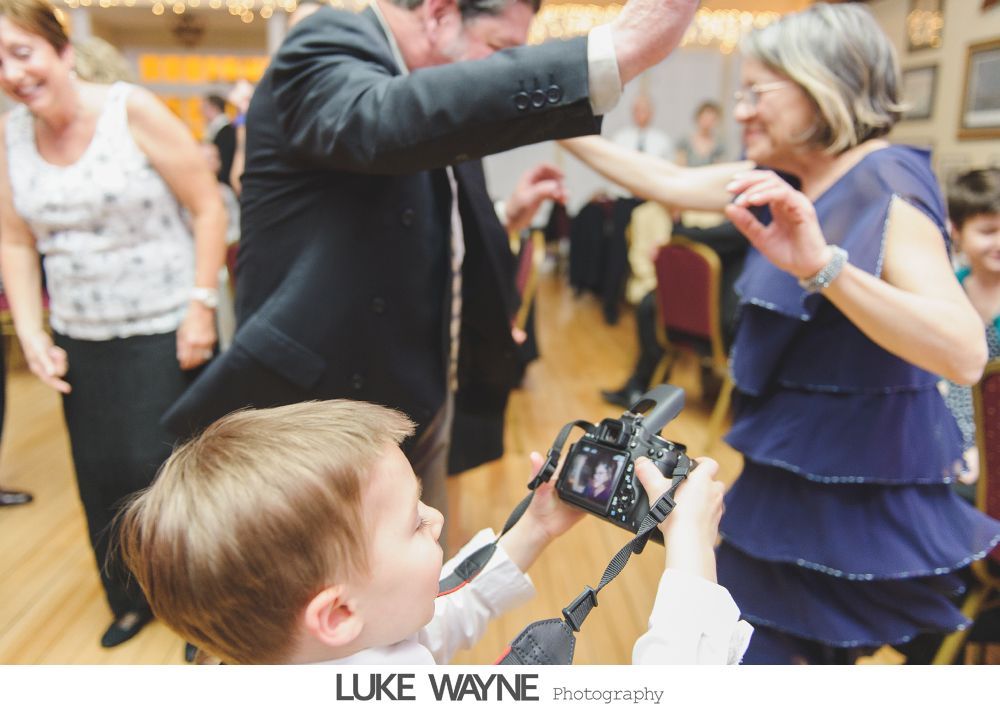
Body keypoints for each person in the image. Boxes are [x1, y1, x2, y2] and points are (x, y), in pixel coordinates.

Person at [564, 2, 1000, 663]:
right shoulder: (791, 177)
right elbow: (665, 177)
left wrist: (825, 267)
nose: (739, 112)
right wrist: (532, 110)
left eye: (755, 93)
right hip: (787, 477)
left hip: (844, 498)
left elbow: (965, 351)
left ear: (824, 83)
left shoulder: (885, 183)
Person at [162, 0, 704, 528]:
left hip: (418, 389)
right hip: (325, 404)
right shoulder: (325, 39)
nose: (499, 71)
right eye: (498, 50)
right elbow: (380, 124)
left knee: (415, 574)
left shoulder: (414, 79)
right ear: (441, 12)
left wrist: (504, 216)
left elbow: (401, 209)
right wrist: (617, 51)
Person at [120, 399, 752, 664]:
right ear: (335, 612)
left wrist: (533, 530)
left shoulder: (319, 649)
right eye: (412, 522)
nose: (438, 519)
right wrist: (691, 552)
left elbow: (422, 624)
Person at [0, 0, 226, 647]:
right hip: (80, 334)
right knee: (101, 474)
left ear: (61, 51)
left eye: (23, 52)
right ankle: (130, 599)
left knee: (173, 478)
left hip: (165, 329)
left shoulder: (132, 111)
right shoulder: (11, 136)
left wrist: (200, 304)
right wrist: (36, 332)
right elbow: (15, 242)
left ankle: (204, 609)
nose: (13, 73)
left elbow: (208, 208)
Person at [942, 167, 1000, 499]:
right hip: (952, 438)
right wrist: (968, 445)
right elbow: (954, 381)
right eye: (988, 231)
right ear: (958, 232)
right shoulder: (947, 292)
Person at [611, 93, 672, 160]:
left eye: (643, 110)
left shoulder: (662, 141)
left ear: (651, 112)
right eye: (637, 110)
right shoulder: (620, 138)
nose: (640, 114)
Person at [675, 100, 726, 167]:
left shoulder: (719, 145)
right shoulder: (685, 141)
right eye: (705, 118)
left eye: (712, 119)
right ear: (698, 117)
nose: (708, 123)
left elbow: (719, 168)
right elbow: (679, 165)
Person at [201, 93, 235, 188]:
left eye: (204, 107)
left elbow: (226, 163)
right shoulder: (217, 129)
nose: (201, 112)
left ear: (214, 108)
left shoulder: (225, 132)